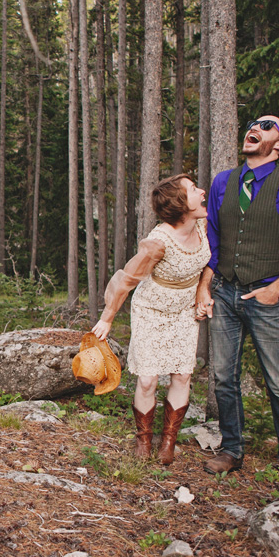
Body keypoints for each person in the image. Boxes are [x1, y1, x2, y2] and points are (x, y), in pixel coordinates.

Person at [196, 114, 279, 492]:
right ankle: (231, 449)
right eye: (254, 124)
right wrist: (206, 287)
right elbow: (214, 242)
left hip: (267, 297)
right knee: (223, 378)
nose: (256, 128)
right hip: (224, 292)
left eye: (268, 126)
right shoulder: (224, 181)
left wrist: (277, 288)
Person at [92, 174, 210, 465]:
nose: (203, 192)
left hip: (183, 310)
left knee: (182, 374)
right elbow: (127, 278)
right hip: (151, 309)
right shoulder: (158, 242)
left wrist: (202, 291)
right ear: (181, 204)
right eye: (194, 190)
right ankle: (143, 439)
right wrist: (107, 318)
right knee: (147, 380)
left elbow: (213, 260)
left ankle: (168, 440)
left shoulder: (206, 224)